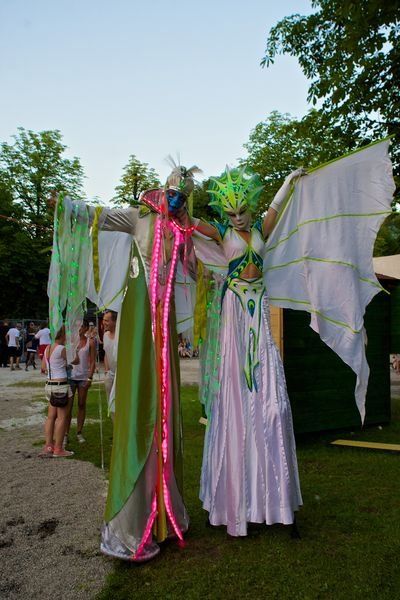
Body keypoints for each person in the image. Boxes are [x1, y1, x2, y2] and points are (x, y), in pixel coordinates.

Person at [48, 162, 199, 561]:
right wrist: (68, 207)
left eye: (181, 197)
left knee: (164, 410)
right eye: (170, 193)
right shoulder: (138, 219)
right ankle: (132, 521)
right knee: (139, 404)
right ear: (160, 193)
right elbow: (99, 216)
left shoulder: (181, 233)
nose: (174, 201)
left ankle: (163, 514)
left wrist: (191, 231)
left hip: (163, 321)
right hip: (139, 318)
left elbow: (192, 269)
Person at [190, 167, 304, 536]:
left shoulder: (259, 229)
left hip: (260, 306)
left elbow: (276, 209)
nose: (237, 218)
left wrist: (287, 181)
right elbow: (191, 224)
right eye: (231, 213)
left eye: (242, 211)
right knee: (236, 390)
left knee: (272, 396)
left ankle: (274, 500)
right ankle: (235, 502)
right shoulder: (222, 232)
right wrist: (176, 198)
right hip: (235, 307)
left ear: (250, 208)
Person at [39, 326, 78, 458]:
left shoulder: (47, 348)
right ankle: (58, 449)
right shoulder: (62, 349)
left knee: (51, 417)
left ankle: (49, 445)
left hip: (49, 384)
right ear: (63, 336)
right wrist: (73, 349)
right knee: (62, 418)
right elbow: (76, 360)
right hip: (60, 385)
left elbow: (43, 367)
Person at [66, 319, 96, 444]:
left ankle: (79, 432)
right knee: (68, 406)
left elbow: (93, 361)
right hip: (70, 377)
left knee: (81, 404)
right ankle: (65, 434)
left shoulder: (90, 342)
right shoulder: (70, 341)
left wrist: (90, 377)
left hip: (83, 377)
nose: (79, 328)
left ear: (86, 328)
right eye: (77, 325)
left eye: (81, 326)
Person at [102, 310, 117, 416]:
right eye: (104, 320)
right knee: (111, 405)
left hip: (121, 375)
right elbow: (106, 354)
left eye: (107, 320)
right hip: (110, 374)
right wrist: (107, 371)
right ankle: (115, 424)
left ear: (115, 321)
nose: (104, 323)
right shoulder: (105, 335)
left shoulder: (121, 335)